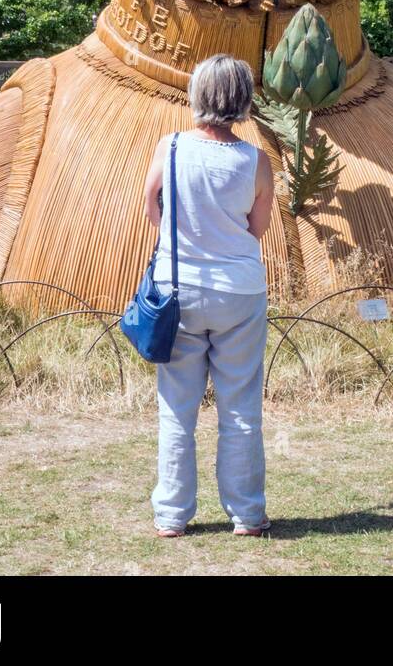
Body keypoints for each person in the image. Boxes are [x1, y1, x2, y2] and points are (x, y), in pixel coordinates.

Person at [142, 53, 275, 537]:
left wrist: (180, 241)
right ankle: (246, 513)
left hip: (177, 289)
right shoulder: (257, 161)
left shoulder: (171, 147)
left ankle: (172, 515)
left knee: (177, 406)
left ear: (198, 95)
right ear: (244, 100)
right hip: (239, 290)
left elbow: (150, 205)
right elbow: (256, 229)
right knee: (240, 405)